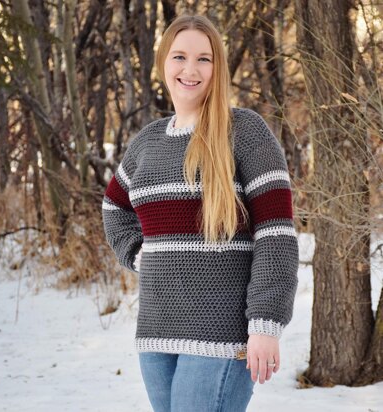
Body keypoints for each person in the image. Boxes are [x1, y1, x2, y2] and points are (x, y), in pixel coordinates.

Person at [102, 14, 299, 412]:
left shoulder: (245, 132)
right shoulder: (148, 142)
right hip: (157, 333)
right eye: (179, 56)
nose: (190, 69)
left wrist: (265, 322)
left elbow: (276, 234)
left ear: (218, 67)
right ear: (163, 63)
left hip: (221, 334)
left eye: (204, 59)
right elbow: (114, 206)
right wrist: (139, 253)